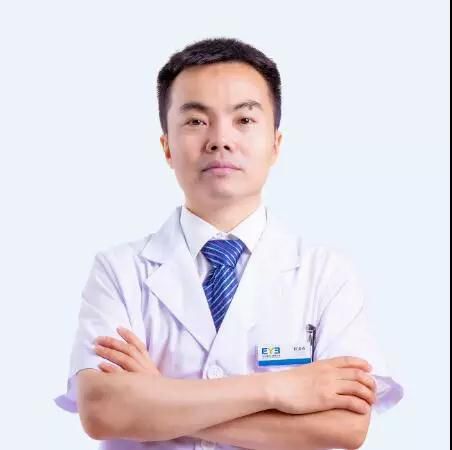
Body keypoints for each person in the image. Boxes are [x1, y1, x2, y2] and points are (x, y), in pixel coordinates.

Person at [55, 37, 404, 450]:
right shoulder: (118, 271)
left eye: (244, 119)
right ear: (166, 147)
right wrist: (280, 389)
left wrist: (159, 401)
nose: (220, 140)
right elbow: (104, 411)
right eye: (195, 121)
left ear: (275, 144)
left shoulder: (326, 274)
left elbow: (345, 427)